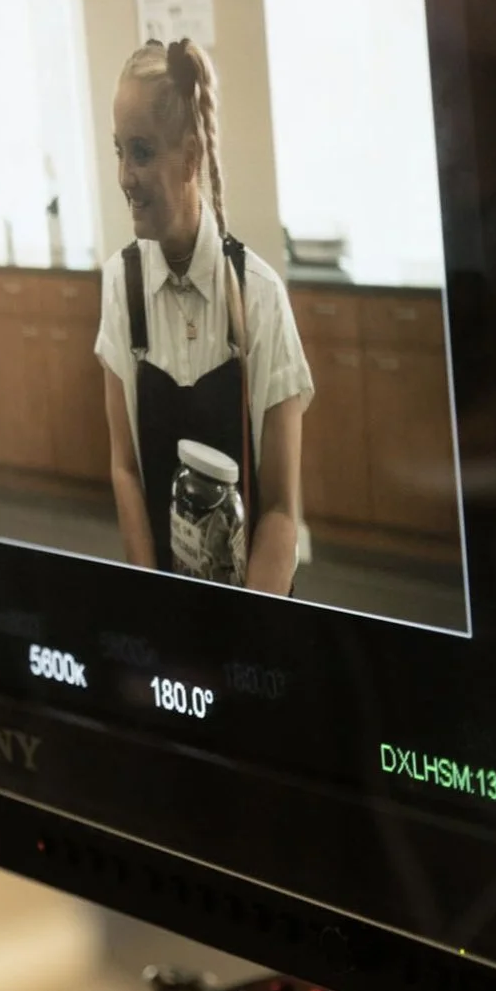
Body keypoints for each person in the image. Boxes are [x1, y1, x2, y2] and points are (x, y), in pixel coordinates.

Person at [96, 39, 311, 592]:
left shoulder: (261, 297)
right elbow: (124, 467)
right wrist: (158, 604)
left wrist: (247, 626)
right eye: (118, 150)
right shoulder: (121, 286)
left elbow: (283, 507)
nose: (124, 175)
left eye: (141, 152)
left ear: (191, 156)